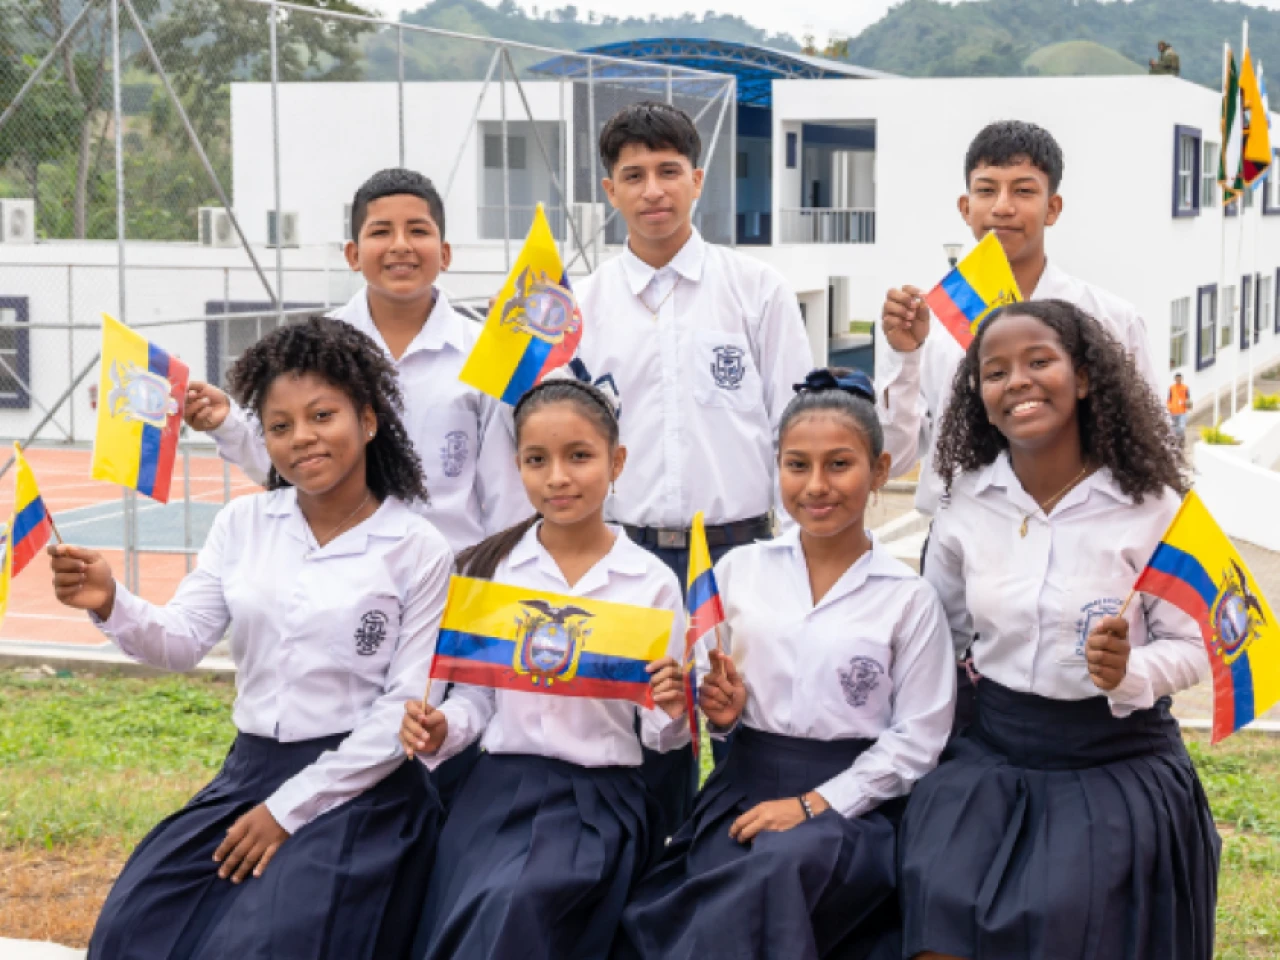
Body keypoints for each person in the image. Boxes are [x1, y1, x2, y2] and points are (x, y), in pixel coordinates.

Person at [52, 317, 452, 960]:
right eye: (280, 425)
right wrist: (109, 600)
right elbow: (182, 640)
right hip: (249, 775)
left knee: (263, 943)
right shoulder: (243, 523)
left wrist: (287, 810)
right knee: (136, 924)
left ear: (368, 420)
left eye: (322, 416)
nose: (302, 438)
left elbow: (399, 712)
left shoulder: (417, 547)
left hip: (360, 787)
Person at [899, 300, 1220, 960]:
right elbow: (941, 636)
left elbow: (1195, 645)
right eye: (995, 372)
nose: (1017, 380)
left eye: (1040, 361)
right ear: (980, 397)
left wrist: (1129, 671)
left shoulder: (1155, 506)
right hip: (992, 753)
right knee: (938, 904)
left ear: (1085, 378)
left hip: (1113, 762)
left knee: (1067, 917)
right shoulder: (964, 503)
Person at [614, 368, 955, 960]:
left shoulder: (909, 598)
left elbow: (918, 741)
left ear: (879, 470)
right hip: (742, 793)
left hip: (856, 808)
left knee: (777, 873)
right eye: (797, 465)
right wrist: (722, 715)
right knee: (690, 901)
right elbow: (709, 705)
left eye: (839, 464)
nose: (816, 485)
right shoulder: (738, 573)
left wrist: (812, 805)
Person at [573, 100, 815, 828]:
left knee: (749, 724)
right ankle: (650, 869)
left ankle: (733, 870)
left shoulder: (758, 290)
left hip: (740, 552)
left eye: (669, 171)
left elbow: (797, 424)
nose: (653, 190)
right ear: (610, 190)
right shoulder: (578, 306)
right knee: (640, 734)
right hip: (626, 557)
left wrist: (798, 553)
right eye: (633, 175)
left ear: (698, 179)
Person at [877, 120, 1162, 725]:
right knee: (953, 707)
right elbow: (897, 457)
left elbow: (1147, 443)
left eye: (1023, 190)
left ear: (1052, 207)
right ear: (965, 207)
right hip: (963, 546)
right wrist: (905, 357)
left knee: (1085, 690)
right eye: (986, 190)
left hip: (1086, 543)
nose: (1002, 207)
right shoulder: (931, 323)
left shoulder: (1110, 318)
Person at [399, 376, 690, 960]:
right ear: (518, 468)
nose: (558, 477)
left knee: (523, 899)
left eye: (579, 456)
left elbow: (663, 735)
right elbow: (478, 699)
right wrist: (441, 727)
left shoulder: (650, 583)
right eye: (537, 460)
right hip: (500, 792)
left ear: (617, 462)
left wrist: (673, 705)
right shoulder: (492, 569)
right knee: (481, 898)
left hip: (600, 800)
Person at [185, 168, 525, 556]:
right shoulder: (316, 349)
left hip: (453, 574)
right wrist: (227, 423)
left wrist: (501, 572)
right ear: (352, 254)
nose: (401, 245)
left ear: (445, 253)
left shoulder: (487, 351)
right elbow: (292, 461)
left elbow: (504, 486)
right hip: (343, 571)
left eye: (418, 230)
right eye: (381, 232)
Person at [1168, 372, 1191, 442]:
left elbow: (1188, 399)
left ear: (1182, 379)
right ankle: (1175, 441)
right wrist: (1169, 407)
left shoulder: (1185, 388)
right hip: (1173, 411)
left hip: (1182, 412)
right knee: (1174, 428)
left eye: (1179, 379)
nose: (1178, 380)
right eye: (1177, 379)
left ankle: (1182, 440)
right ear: (1175, 379)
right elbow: (1169, 399)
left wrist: (1187, 404)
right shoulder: (1171, 388)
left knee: (1182, 427)